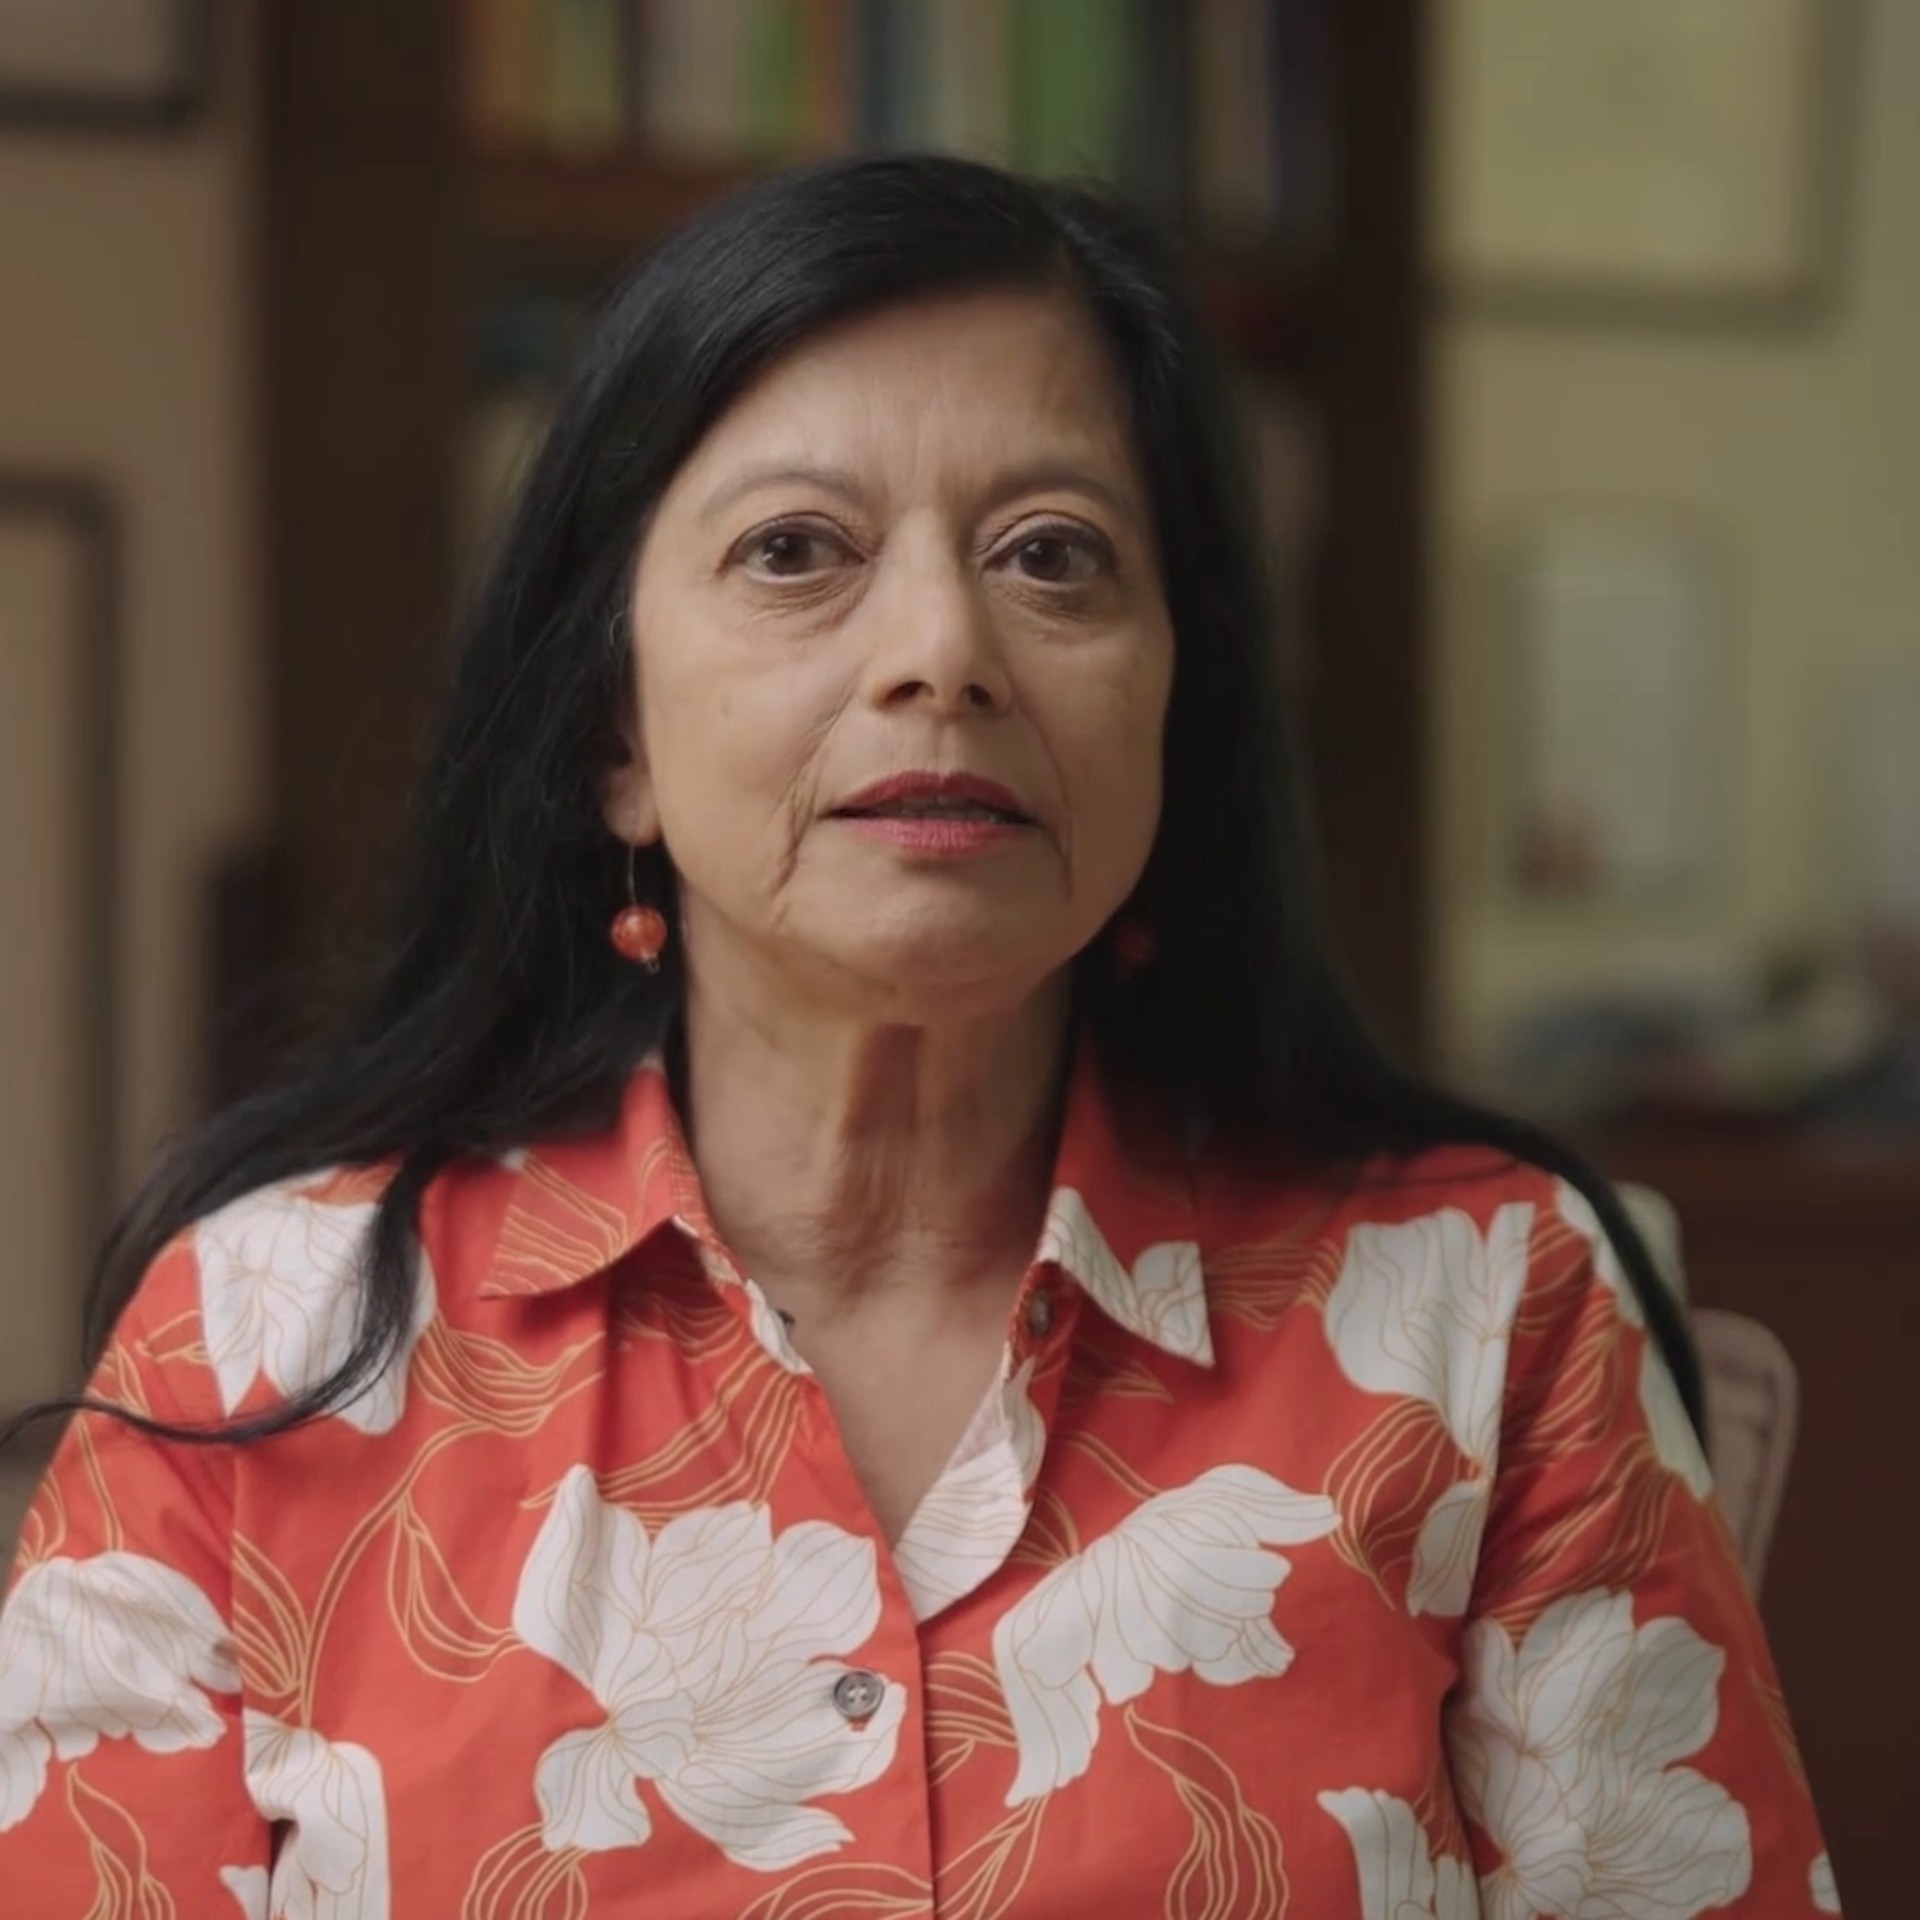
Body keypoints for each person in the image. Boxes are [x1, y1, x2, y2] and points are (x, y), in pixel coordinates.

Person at [0, 155, 1837, 1918]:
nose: (943, 650)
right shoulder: (260, 1338)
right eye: (797, 550)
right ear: (613, 733)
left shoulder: (1488, 1308)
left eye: (1054, 557)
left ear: (1174, 708)